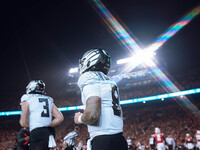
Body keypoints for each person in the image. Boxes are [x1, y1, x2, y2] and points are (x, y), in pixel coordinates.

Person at [74, 48, 128, 150]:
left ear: (89, 61)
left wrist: (80, 119)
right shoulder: (110, 82)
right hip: (120, 138)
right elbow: (120, 111)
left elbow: (93, 113)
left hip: (103, 140)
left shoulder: (90, 80)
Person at [19, 80, 64, 150]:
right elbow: (60, 118)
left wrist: (32, 125)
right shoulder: (48, 99)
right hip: (50, 132)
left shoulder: (26, 98)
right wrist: (48, 124)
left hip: (37, 132)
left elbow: (23, 122)